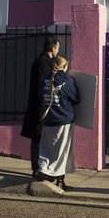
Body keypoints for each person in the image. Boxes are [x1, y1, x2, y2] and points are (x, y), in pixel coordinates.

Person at [36, 55, 81, 191]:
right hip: (63, 120)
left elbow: (39, 97)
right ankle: (60, 180)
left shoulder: (44, 80)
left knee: (46, 148)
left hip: (48, 119)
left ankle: (43, 170)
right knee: (63, 151)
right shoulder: (67, 81)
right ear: (65, 67)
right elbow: (76, 99)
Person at [20, 37, 59, 178]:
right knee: (38, 138)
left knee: (41, 138)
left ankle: (41, 168)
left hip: (42, 107)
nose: (58, 51)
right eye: (57, 48)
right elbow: (43, 85)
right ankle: (37, 169)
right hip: (39, 107)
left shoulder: (45, 61)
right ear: (53, 49)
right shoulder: (43, 63)